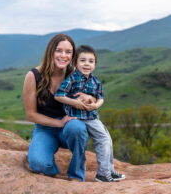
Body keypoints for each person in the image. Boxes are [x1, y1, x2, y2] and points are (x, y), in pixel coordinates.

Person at [23, 34, 89, 182]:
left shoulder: (74, 74)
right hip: (45, 128)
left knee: (77, 128)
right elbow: (31, 114)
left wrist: (89, 98)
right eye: (59, 50)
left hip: (70, 125)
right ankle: (52, 170)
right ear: (50, 51)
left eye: (68, 52)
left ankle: (76, 176)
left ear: (73, 55)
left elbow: (93, 94)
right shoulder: (33, 76)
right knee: (38, 163)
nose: (63, 56)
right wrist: (58, 123)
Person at [54, 45, 126, 182]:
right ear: (75, 63)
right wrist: (74, 102)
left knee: (106, 139)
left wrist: (95, 105)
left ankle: (108, 171)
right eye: (83, 60)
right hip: (76, 117)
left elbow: (101, 98)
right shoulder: (71, 79)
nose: (87, 64)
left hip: (91, 117)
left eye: (91, 61)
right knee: (99, 139)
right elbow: (58, 96)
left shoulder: (95, 81)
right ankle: (103, 174)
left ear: (95, 64)